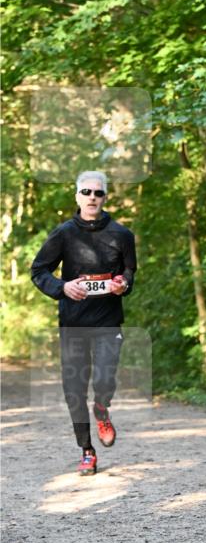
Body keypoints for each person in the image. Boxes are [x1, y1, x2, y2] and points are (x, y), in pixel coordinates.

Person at [31, 171, 137, 475]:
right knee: (74, 390)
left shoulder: (122, 235)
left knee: (104, 380)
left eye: (98, 193)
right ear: (77, 196)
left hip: (107, 322)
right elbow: (39, 271)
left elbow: (130, 273)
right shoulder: (63, 234)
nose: (92, 197)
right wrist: (62, 287)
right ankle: (87, 450)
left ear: (105, 198)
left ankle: (102, 407)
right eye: (86, 191)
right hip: (73, 325)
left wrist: (122, 283)